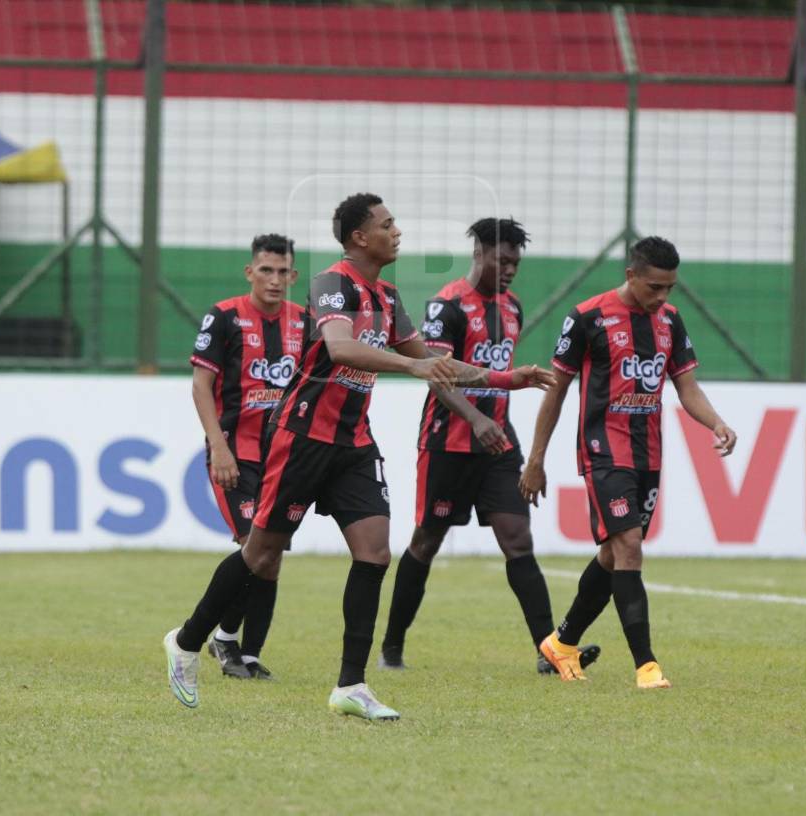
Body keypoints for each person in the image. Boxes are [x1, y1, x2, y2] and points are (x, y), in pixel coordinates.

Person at [164, 193, 553, 720]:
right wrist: (411, 367)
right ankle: (187, 643)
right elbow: (342, 349)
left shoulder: (389, 298)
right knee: (259, 555)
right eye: (387, 225)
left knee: (374, 553)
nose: (397, 232)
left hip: (353, 443)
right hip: (302, 438)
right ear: (358, 238)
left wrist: (509, 378)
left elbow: (436, 362)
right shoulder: (331, 285)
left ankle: (352, 684)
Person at [379, 217, 599, 676]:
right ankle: (391, 648)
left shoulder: (513, 307)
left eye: (516, 263)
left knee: (518, 541)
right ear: (478, 252)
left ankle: (549, 652)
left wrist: (497, 427)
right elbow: (437, 375)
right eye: (503, 260)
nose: (510, 270)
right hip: (448, 444)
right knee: (426, 542)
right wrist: (475, 418)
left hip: (497, 444)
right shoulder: (447, 306)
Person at [520, 236, 737, 689]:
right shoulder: (586, 318)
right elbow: (556, 392)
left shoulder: (670, 321)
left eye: (670, 288)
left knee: (611, 554)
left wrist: (715, 422)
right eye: (655, 287)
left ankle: (560, 644)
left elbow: (687, 387)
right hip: (602, 451)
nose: (662, 297)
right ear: (631, 276)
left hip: (648, 454)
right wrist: (536, 460)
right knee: (631, 546)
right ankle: (646, 666)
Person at [188, 234, 305, 681]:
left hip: (286, 457)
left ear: (293, 276)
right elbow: (201, 386)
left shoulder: (307, 321)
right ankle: (221, 640)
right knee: (254, 548)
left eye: (282, 272)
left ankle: (244, 651)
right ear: (250, 272)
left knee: (271, 553)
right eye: (266, 270)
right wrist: (218, 447)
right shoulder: (224, 317)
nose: (274, 280)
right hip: (236, 454)